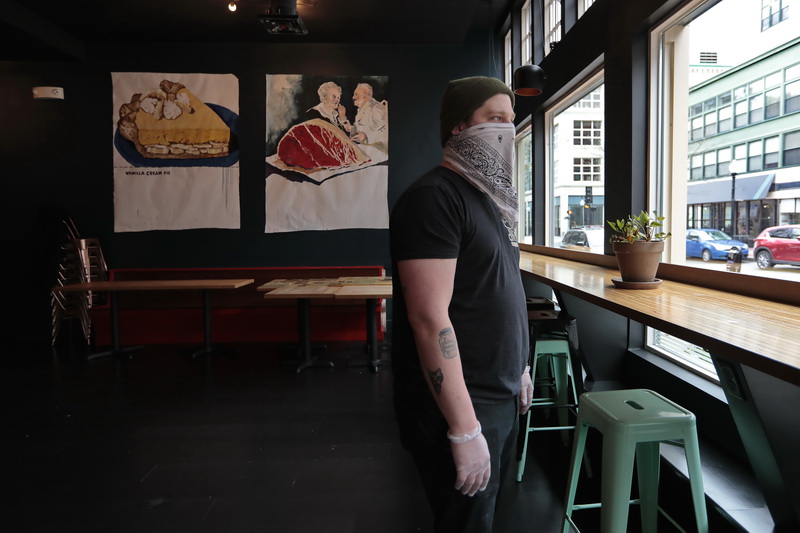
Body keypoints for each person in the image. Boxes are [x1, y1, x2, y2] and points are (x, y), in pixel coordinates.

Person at [389, 76, 533, 533]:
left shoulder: (490, 200)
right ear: (458, 128)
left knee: (484, 517)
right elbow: (429, 319)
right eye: (494, 119)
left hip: (498, 392)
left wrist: (520, 368)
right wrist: (465, 428)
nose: (507, 130)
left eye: (511, 121)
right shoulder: (434, 199)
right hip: (460, 403)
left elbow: (497, 286)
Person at [351, 82, 387, 147]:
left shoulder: (377, 107)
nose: (353, 97)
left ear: (365, 96)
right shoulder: (361, 109)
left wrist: (365, 135)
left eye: (356, 94)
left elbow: (385, 131)